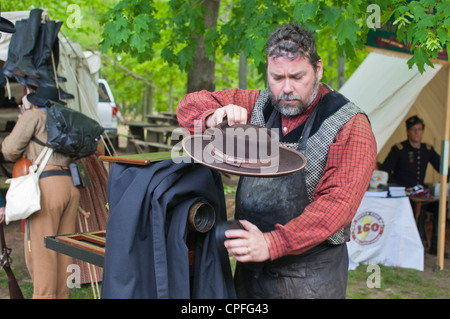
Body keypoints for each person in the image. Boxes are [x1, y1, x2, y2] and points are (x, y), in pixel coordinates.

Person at [177, 22, 377, 298]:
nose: (286, 89)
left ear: (318, 69)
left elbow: (336, 206)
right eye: (277, 77)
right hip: (251, 270)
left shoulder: (349, 124)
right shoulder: (258, 105)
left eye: (297, 77)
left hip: (311, 275)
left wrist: (272, 244)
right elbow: (189, 105)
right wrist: (214, 116)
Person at [0, 86, 80, 298]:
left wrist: (23, 118)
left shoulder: (34, 115)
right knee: (63, 252)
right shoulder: (67, 117)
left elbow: (9, 150)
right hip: (70, 187)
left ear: (35, 103)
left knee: (42, 255)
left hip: (46, 187)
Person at [380, 115, 448, 258]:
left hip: (421, 195)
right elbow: (385, 172)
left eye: (419, 129)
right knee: (416, 208)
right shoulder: (398, 149)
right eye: (414, 130)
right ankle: (413, 245)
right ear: (408, 132)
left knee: (440, 206)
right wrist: (403, 188)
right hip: (404, 195)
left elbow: (443, 169)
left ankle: (436, 246)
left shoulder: (427, 149)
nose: (417, 132)